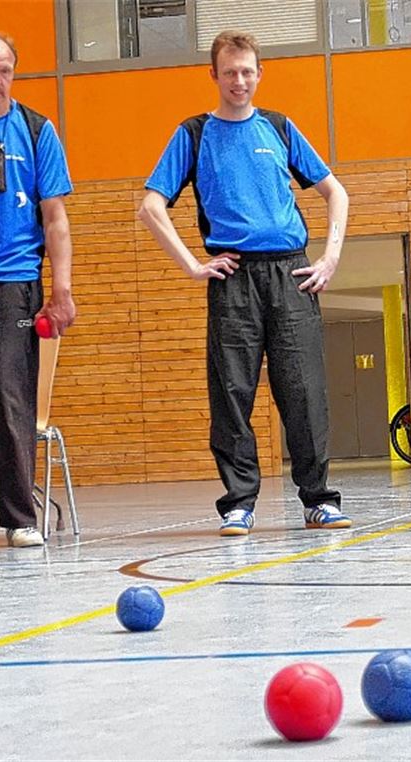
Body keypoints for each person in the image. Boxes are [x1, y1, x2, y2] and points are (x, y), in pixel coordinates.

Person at [138, 30, 350, 536]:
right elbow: (150, 206)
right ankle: (239, 501)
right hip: (232, 277)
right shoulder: (193, 133)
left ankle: (317, 499)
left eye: (247, 71)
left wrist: (330, 258)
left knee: (303, 390)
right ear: (214, 74)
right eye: (230, 71)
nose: (239, 80)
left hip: (292, 273)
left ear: (259, 73)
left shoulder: (278, 127)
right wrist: (192, 264)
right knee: (231, 391)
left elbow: (335, 192)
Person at [0, 31, 76, 548]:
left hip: (14, 282)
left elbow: (55, 218)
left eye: (5, 69)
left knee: (10, 403)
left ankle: (18, 519)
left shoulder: (36, 131)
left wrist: (62, 289)